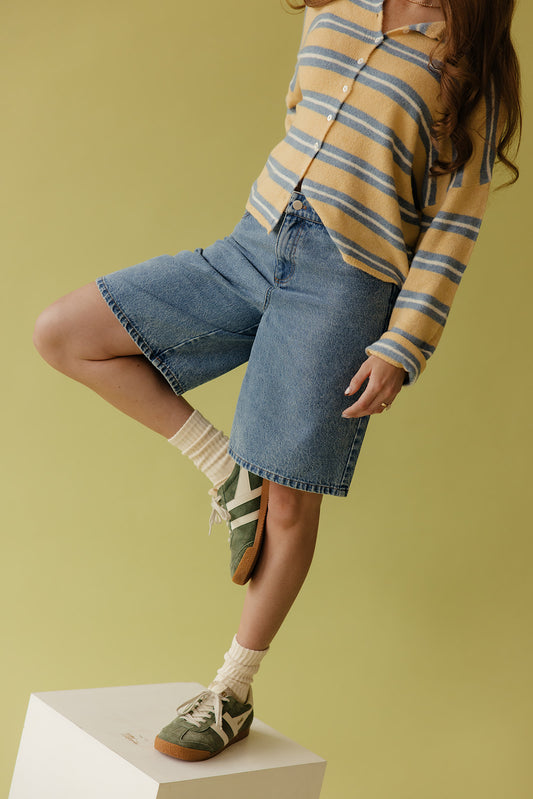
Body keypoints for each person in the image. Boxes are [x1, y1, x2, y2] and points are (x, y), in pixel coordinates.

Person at [33, 0, 521, 762]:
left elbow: (453, 224)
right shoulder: (333, 3)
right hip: (254, 241)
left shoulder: (471, 58)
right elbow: (302, 107)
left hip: (347, 284)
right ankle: (226, 471)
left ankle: (230, 689)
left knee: (291, 493)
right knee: (64, 334)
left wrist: (403, 342)